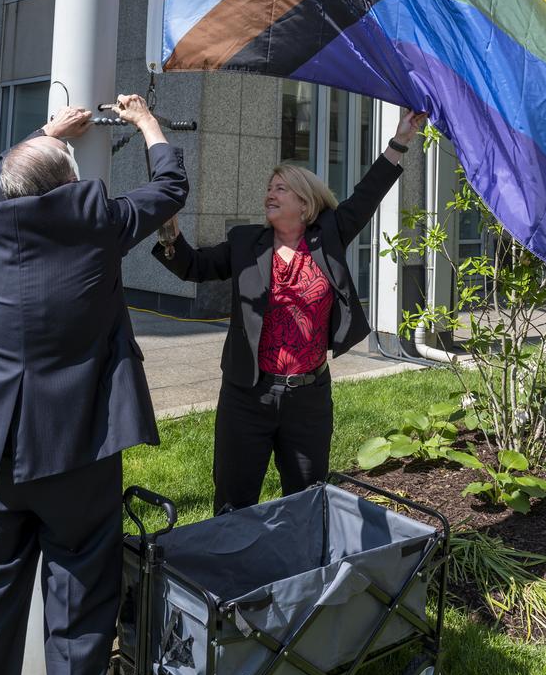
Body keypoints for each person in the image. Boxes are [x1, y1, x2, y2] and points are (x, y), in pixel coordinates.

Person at [0, 94, 188, 675]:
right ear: (69, 186)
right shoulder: (97, 220)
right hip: (76, 450)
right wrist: (147, 122)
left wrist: (46, 131)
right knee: (78, 609)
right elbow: (170, 185)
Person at [153, 108, 426, 512]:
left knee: (306, 498)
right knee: (233, 499)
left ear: (305, 202)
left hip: (308, 396)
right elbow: (195, 266)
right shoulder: (247, 243)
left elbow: (368, 193)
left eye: (280, 188)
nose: (270, 193)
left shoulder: (329, 235)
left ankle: (297, 570)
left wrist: (400, 139)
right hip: (249, 393)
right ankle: (232, 572)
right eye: (269, 187)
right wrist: (168, 232)